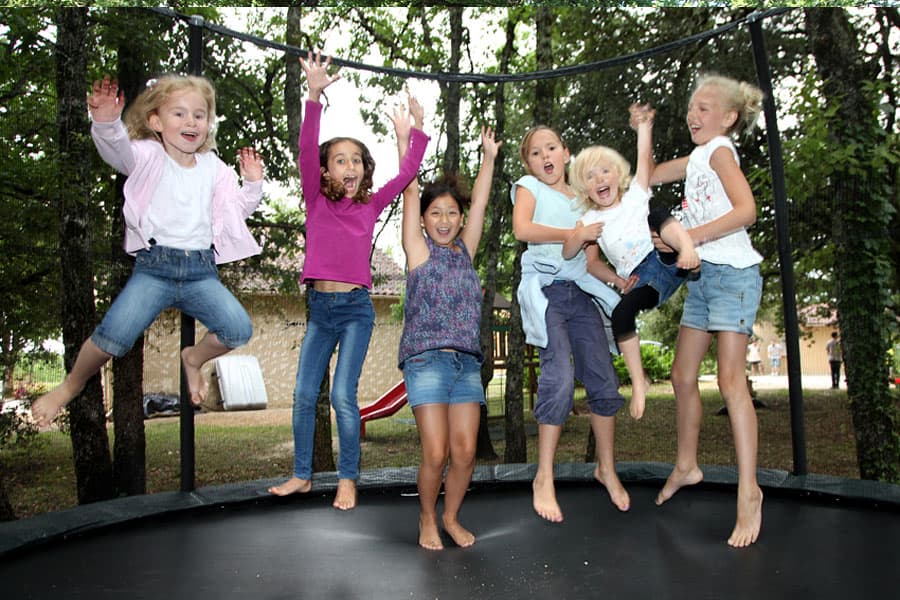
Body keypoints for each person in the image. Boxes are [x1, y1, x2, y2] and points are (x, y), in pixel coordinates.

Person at [31, 74, 264, 428]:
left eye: (199, 116)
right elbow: (117, 151)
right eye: (180, 114)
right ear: (155, 121)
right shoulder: (146, 155)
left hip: (200, 271)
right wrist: (107, 122)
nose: (191, 122)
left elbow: (235, 210)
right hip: (155, 269)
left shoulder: (213, 168)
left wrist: (252, 183)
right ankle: (70, 386)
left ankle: (193, 359)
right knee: (112, 338)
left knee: (237, 329)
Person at [268, 52, 428, 510]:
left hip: (356, 311)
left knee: (342, 394)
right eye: (340, 160)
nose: (350, 167)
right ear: (325, 171)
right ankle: (302, 474)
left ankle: (348, 478)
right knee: (303, 394)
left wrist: (411, 132)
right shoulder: (315, 200)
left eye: (356, 159)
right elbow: (304, 147)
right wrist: (314, 94)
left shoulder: (370, 206)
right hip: (320, 311)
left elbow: (407, 174)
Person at [649, 74, 765, 548]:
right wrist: (641, 133)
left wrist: (689, 237)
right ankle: (686, 464)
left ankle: (749, 492)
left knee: (731, 381)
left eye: (705, 107)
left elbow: (747, 210)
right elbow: (650, 175)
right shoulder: (698, 156)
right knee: (680, 375)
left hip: (733, 275)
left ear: (728, 118)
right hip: (701, 278)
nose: (694, 114)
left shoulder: (720, 151)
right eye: (691, 106)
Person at [512, 125, 630, 523]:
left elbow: (592, 261)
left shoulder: (583, 200)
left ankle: (606, 468)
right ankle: (543, 476)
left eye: (551, 148)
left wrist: (617, 280)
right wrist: (572, 233)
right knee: (559, 377)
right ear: (528, 162)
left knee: (603, 379)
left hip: (580, 294)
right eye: (534, 152)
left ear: (566, 153)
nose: (544, 156)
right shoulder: (530, 186)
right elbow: (522, 229)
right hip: (547, 291)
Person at [398, 101, 500, 550]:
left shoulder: (465, 251)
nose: (444, 220)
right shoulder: (417, 252)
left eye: (451, 214)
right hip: (427, 363)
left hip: (465, 366)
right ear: (424, 219)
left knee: (463, 453)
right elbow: (409, 189)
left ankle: (451, 516)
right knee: (436, 452)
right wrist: (412, 135)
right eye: (435, 213)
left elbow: (480, 200)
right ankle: (425, 517)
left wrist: (490, 158)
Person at [564, 104, 700, 420]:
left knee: (656, 213)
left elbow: (644, 158)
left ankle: (688, 249)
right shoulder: (590, 219)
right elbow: (586, 263)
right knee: (622, 312)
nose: (599, 178)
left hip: (667, 255)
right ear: (585, 188)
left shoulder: (636, 194)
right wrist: (618, 281)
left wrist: (644, 128)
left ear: (618, 175)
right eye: (590, 176)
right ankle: (639, 382)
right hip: (644, 279)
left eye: (605, 170)